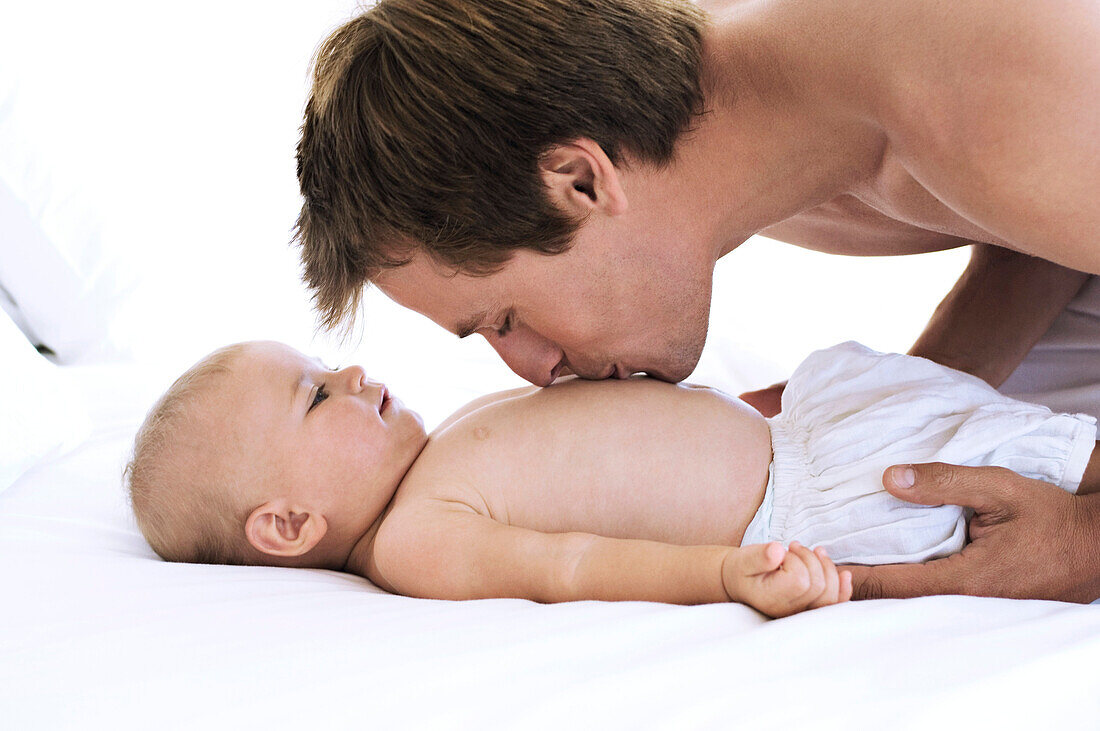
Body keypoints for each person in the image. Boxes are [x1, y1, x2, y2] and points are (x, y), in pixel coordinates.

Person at [291, 0, 1100, 602]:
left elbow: (1027, 150)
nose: (535, 369)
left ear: (580, 180)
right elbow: (1041, 218)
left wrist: (1084, 542)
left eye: (506, 318)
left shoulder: (979, 81)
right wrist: (915, 397)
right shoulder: (741, 123)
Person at [126, 340, 1097, 616]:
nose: (349, 373)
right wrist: (726, 574)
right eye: (311, 395)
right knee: (1026, 470)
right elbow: (571, 563)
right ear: (287, 524)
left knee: (1042, 440)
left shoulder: (434, 453)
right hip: (815, 497)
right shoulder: (414, 537)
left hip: (808, 426)